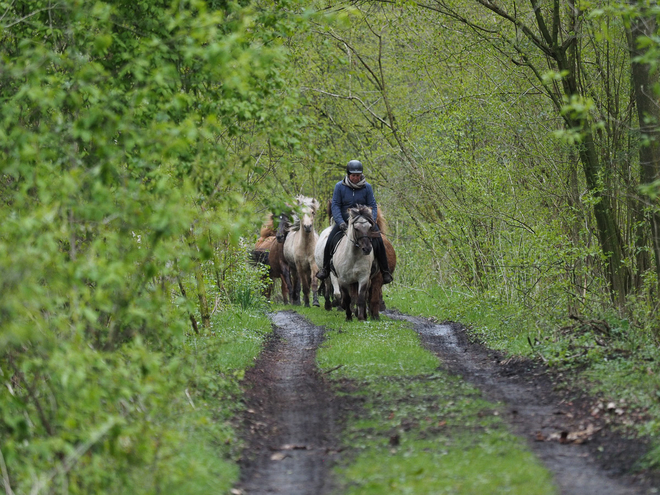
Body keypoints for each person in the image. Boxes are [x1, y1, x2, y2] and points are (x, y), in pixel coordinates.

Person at [316, 159, 393, 284]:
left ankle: (385, 271)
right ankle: (325, 269)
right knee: (330, 240)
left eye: (358, 175)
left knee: (379, 239)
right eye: (353, 176)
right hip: (344, 222)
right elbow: (335, 205)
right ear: (348, 175)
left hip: (364, 223)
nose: (356, 178)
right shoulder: (339, 187)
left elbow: (372, 205)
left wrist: (372, 221)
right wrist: (340, 221)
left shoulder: (367, 187)